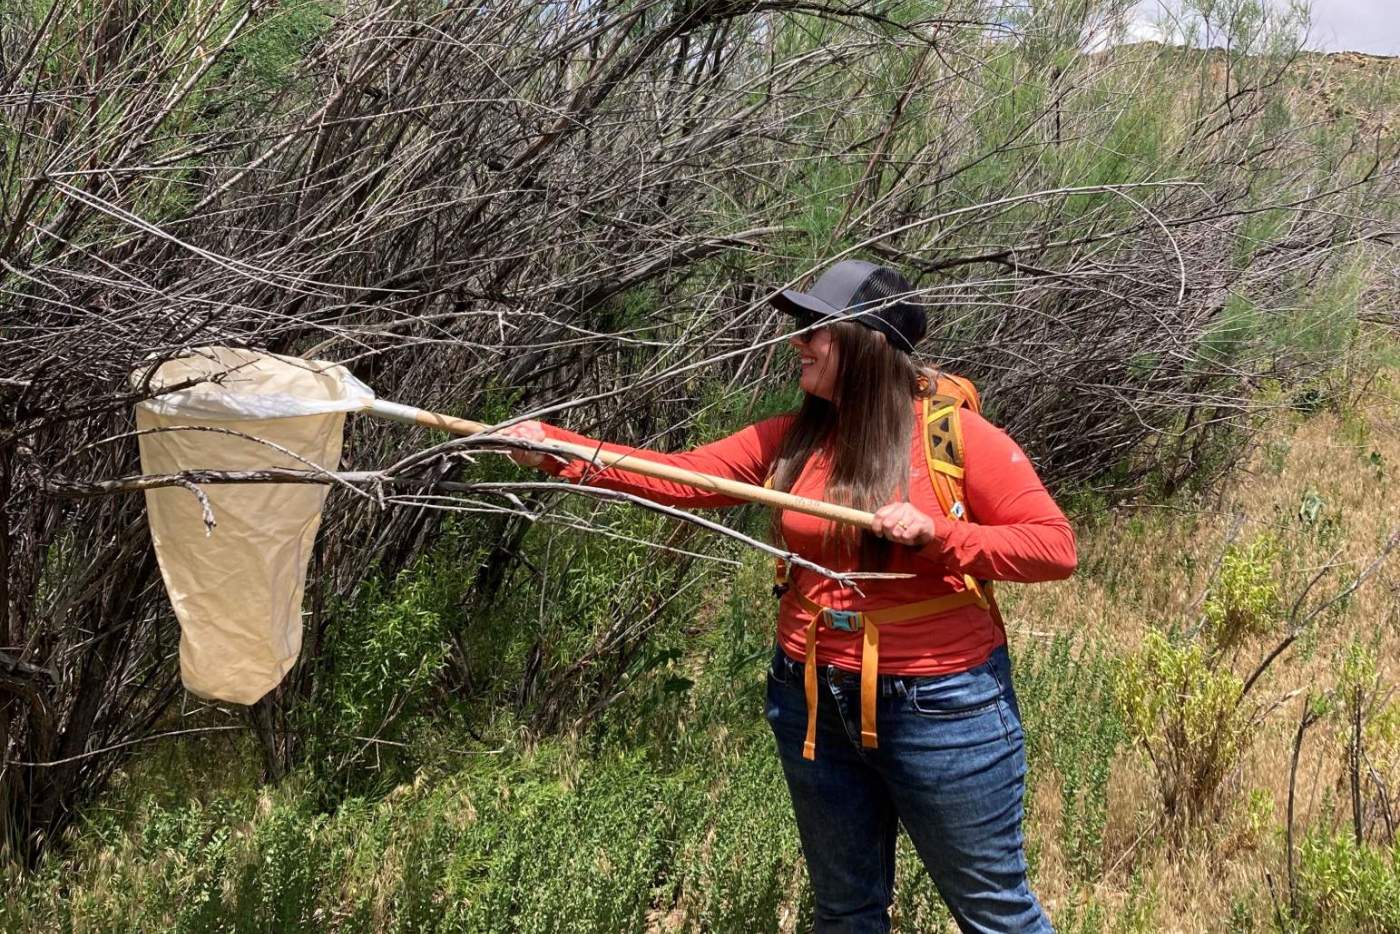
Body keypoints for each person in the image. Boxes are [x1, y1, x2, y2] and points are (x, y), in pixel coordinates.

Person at [500, 259, 1075, 933]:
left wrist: (939, 536)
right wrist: (557, 450)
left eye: (814, 329)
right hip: (810, 698)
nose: (797, 343)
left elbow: (1053, 548)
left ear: (867, 344)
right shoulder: (795, 437)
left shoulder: (952, 437)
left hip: (942, 707)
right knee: (845, 911)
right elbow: (681, 477)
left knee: (993, 914)